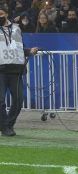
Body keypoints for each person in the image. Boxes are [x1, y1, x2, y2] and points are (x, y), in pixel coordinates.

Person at [0, 6, 39, 136]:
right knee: (0, 101)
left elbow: (18, 47)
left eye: (1, 13)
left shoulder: (16, 28)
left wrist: (29, 51)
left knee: (18, 100)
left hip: (16, 70)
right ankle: (5, 127)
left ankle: (8, 125)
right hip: (1, 70)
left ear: (6, 14)